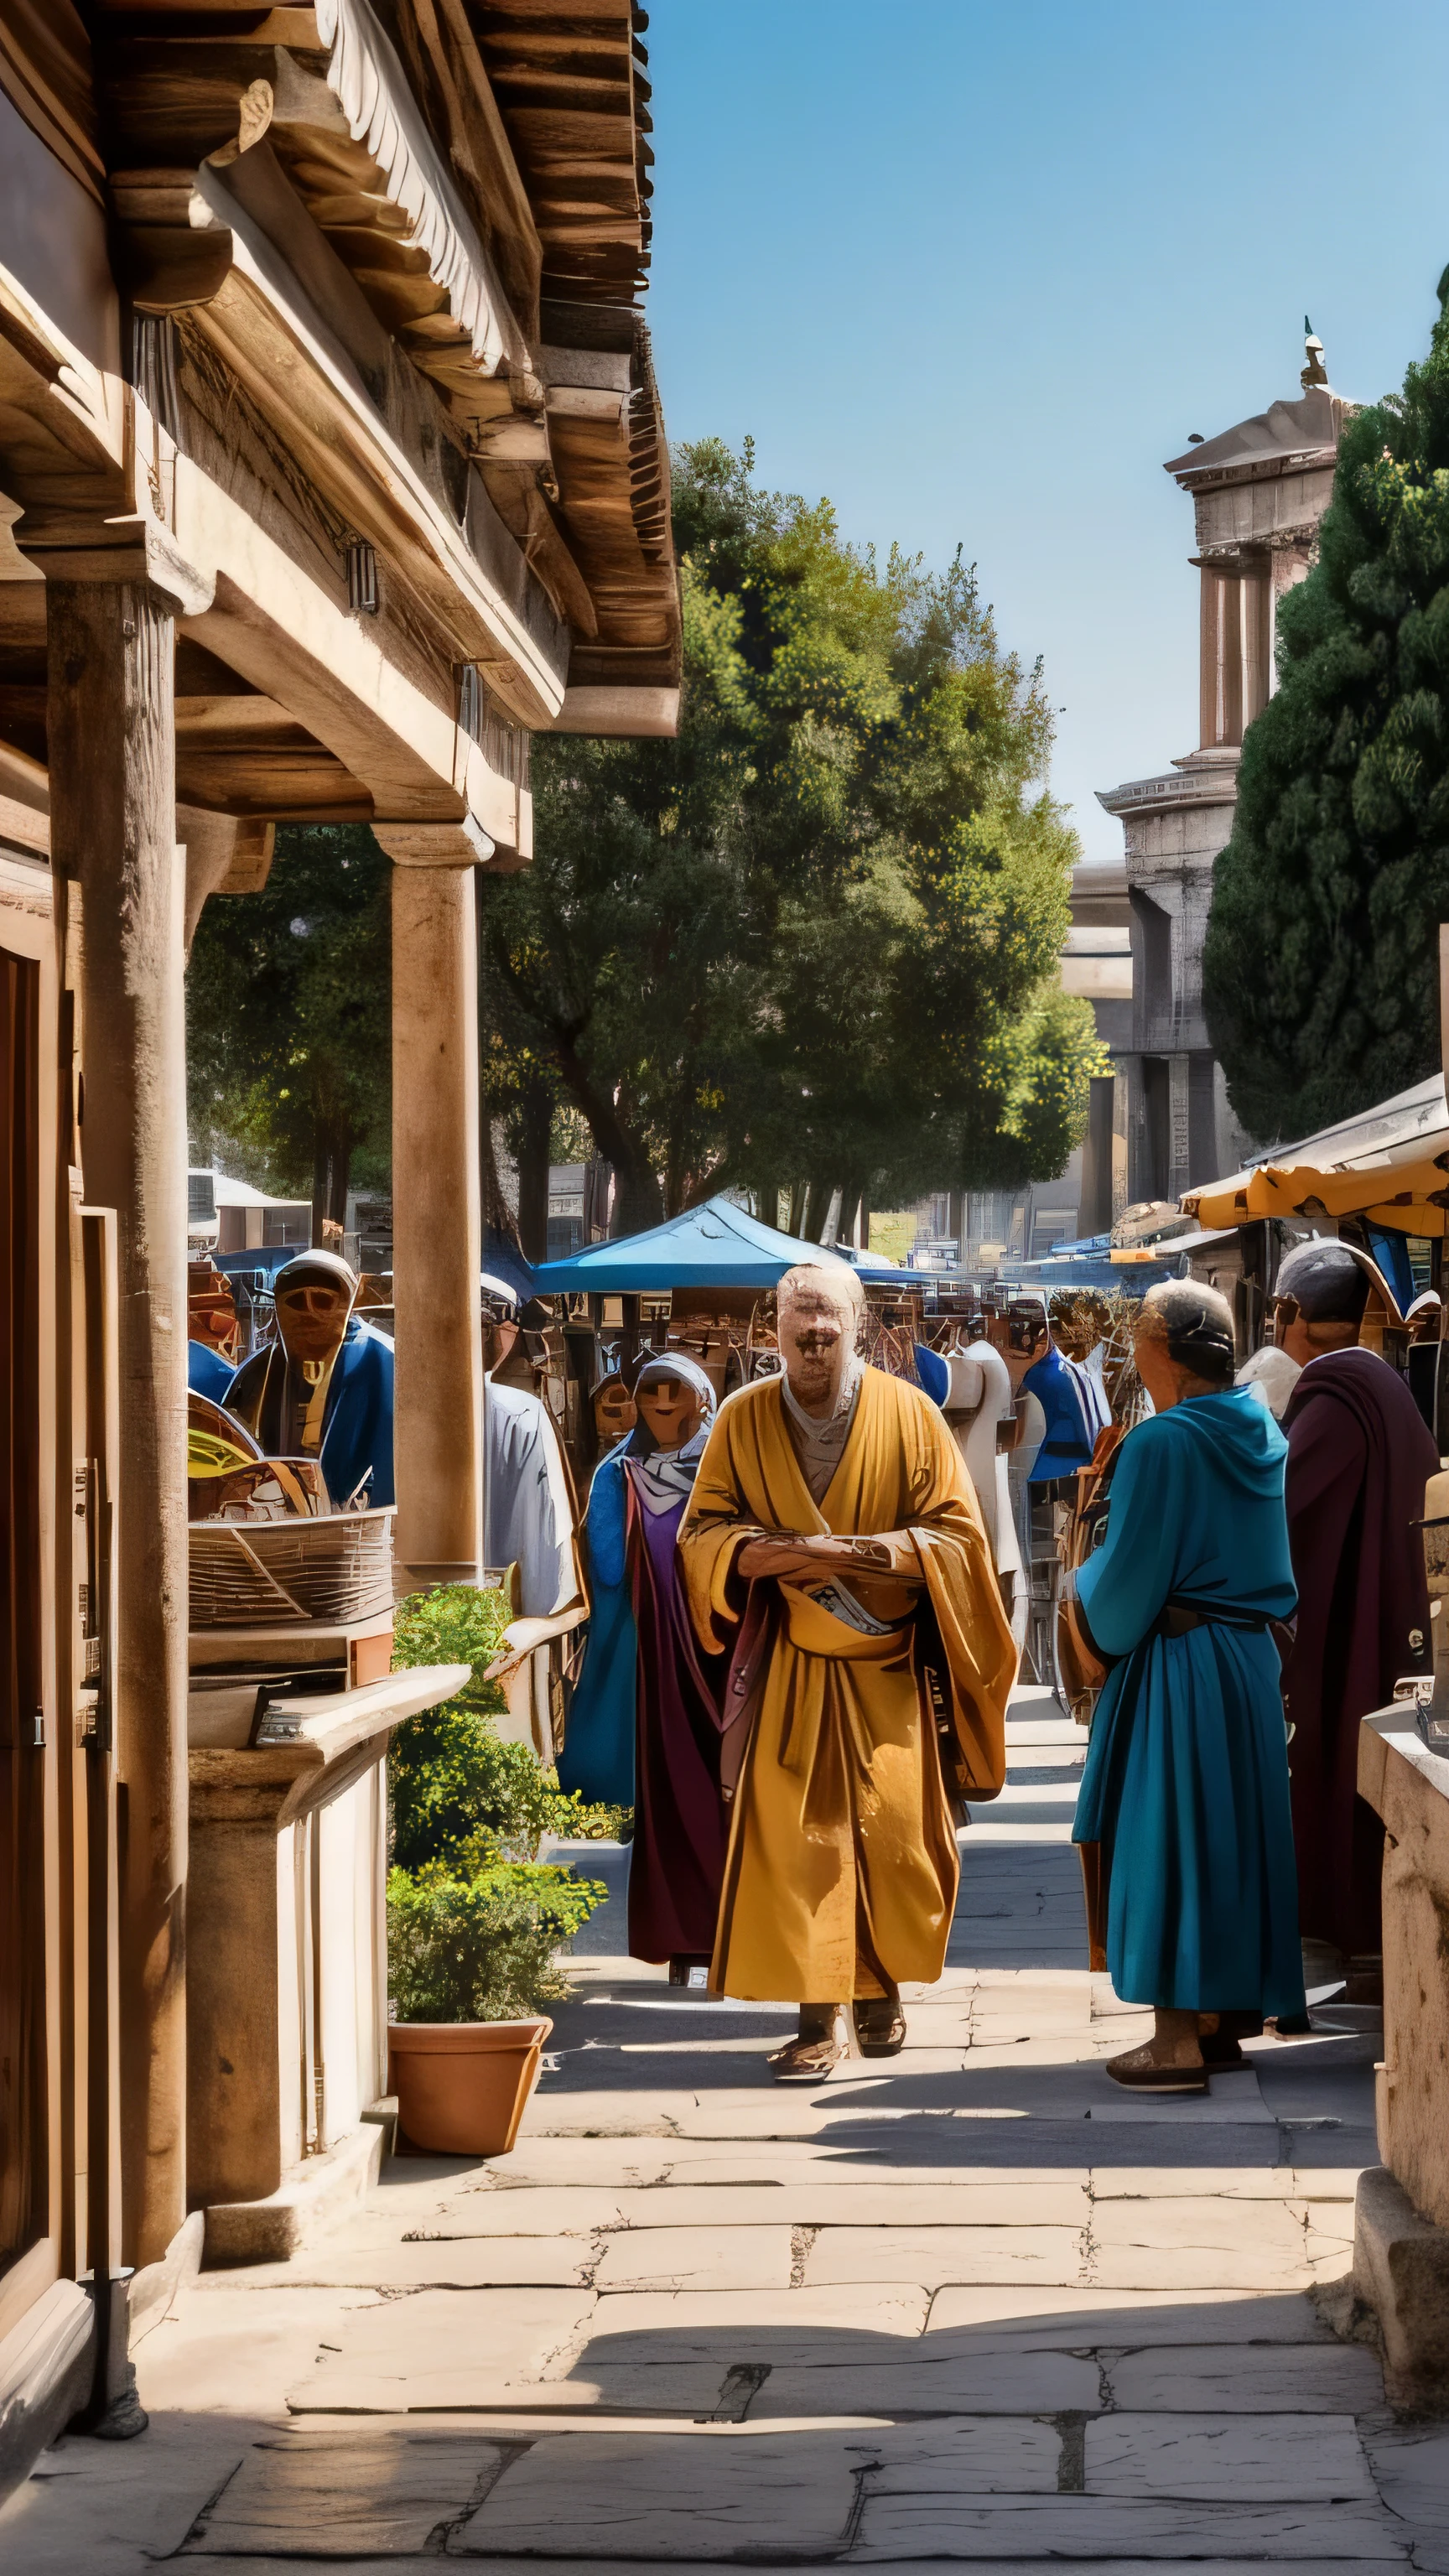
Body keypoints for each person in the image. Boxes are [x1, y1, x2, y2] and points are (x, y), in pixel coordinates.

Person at [680, 1263, 1015, 2080]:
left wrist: (849, 1553)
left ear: (858, 1327)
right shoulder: (742, 1417)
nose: (815, 1338)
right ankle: (817, 2018)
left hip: (888, 1667)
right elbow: (703, 1534)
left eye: (829, 1324)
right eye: (801, 1325)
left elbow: (956, 1540)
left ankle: (880, 1991)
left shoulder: (911, 1414)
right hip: (796, 1667)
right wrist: (761, 1553)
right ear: (775, 1331)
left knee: (894, 1841)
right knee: (800, 1847)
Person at [1070, 1280, 1305, 2090]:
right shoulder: (1260, 1426)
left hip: (1180, 1663)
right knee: (1232, 1837)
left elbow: (1129, 1582)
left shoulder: (1162, 1443)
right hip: (1246, 1663)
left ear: (1164, 1353)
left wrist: (1082, 1582)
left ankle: (1174, 2042)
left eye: (1140, 1343)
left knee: (1166, 1838)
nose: (1136, 1357)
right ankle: (1218, 2023)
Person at [1275, 1239, 1438, 1967]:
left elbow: (1286, 1516)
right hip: (1386, 1619)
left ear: (1291, 1314)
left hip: (1347, 1633)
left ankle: (1358, 1944)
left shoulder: (1332, 1393)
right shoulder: (1383, 1384)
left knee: (1341, 1778)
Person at [224, 1249, 395, 1508]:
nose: (310, 1313)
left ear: (347, 1306)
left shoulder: (382, 1362)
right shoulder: (256, 1373)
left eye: (322, 1300)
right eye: (296, 1301)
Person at [556, 1374, 640, 1810]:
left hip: (619, 1612)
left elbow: (608, 1563)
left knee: (612, 1701)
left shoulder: (614, 1469)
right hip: (642, 1611)